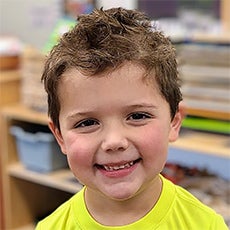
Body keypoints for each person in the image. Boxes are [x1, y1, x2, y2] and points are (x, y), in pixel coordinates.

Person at [36, 7, 228, 230]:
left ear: (174, 122)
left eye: (137, 116)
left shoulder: (205, 225)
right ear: (59, 136)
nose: (114, 141)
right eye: (87, 122)